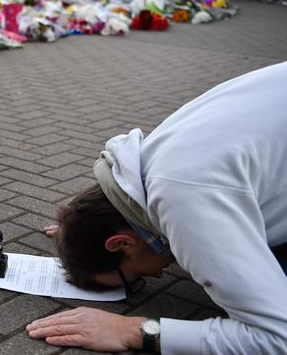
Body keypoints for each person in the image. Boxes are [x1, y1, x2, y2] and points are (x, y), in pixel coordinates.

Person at [25, 61, 287, 354]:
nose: (160, 277)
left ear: (121, 242)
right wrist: (77, 230)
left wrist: (130, 329)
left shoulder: (182, 196)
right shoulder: (146, 163)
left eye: (134, 280)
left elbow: (277, 338)